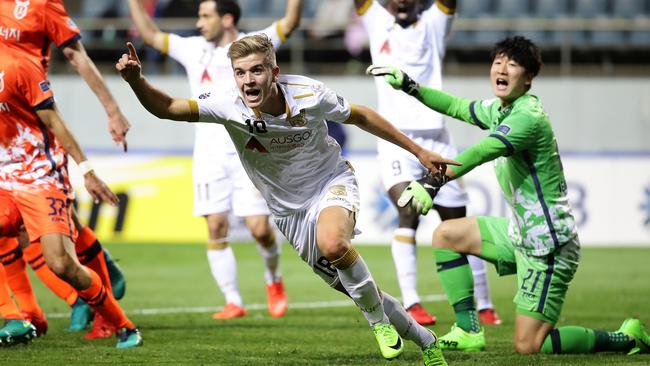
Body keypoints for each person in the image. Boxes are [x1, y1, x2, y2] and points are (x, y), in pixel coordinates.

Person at [117, 34, 452, 364]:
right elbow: (169, 108)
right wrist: (137, 82)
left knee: (334, 244)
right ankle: (425, 340)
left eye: (257, 71)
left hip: (330, 182)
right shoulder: (225, 102)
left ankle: (378, 324)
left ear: (274, 73)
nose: (248, 80)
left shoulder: (309, 94)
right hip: (288, 212)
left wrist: (419, 151)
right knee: (358, 289)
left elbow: (360, 115)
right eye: (240, 72)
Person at [368, 35, 650, 355]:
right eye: (498, 61)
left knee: (529, 345)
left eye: (513, 65)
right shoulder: (500, 108)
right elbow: (456, 106)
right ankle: (468, 329)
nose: (502, 68)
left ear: (528, 78)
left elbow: (484, 150)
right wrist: (410, 86)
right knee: (446, 234)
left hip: (548, 246)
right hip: (519, 233)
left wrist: (433, 181)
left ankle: (626, 338)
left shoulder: (527, 117)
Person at [128, 0, 303, 319]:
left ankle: (274, 280)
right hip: (208, 154)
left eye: (204, 16)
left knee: (260, 229)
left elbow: (289, 23)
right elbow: (151, 35)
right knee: (216, 226)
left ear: (226, 18)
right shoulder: (192, 48)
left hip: (249, 149)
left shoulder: (253, 45)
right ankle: (233, 300)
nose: (198, 23)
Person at [354, 0, 500, 326]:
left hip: (437, 139)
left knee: (457, 224)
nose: (402, 1)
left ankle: (485, 304)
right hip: (394, 139)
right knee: (407, 209)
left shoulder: (434, 22)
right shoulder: (377, 20)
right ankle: (413, 303)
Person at [0, 42, 142, 349]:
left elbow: (53, 120)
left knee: (62, 264)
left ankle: (123, 325)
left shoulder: (20, 65)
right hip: (4, 179)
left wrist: (87, 171)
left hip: (40, 176)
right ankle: (16, 318)